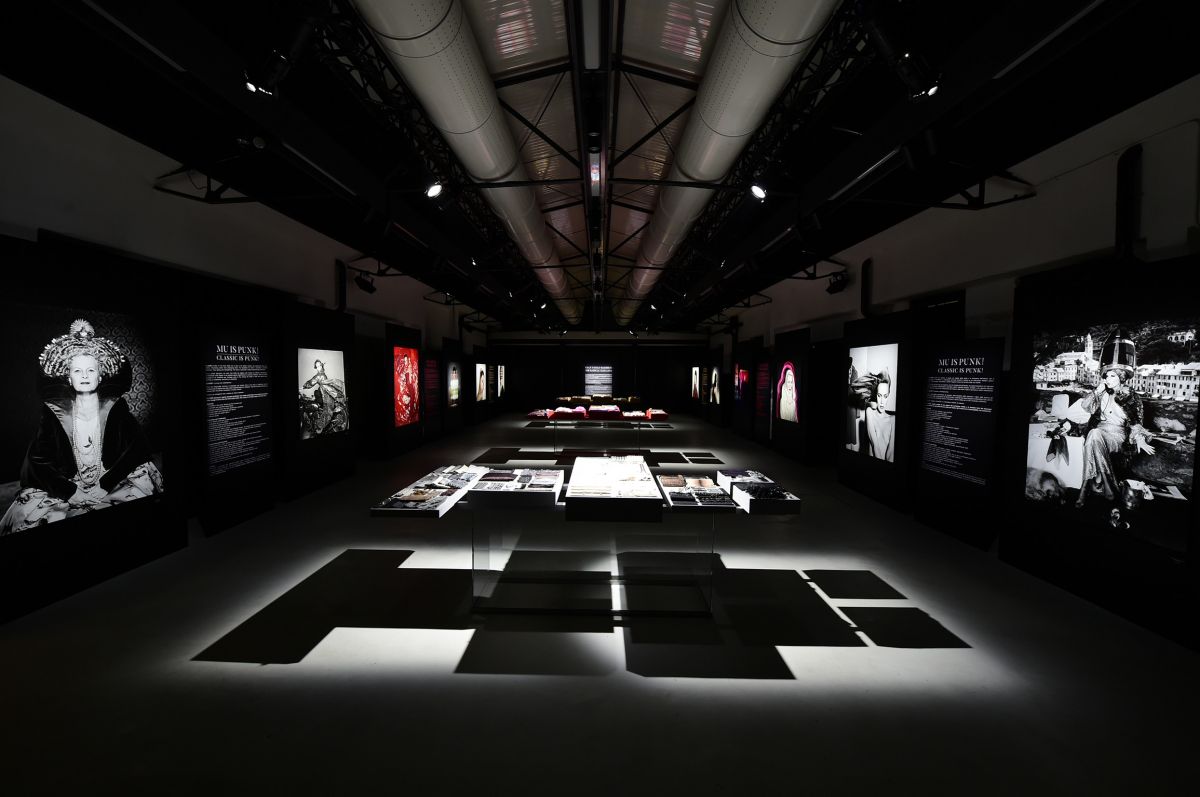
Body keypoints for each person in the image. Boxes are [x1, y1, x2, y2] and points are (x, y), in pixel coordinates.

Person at [0, 319, 163, 534]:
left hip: (109, 477)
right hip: (69, 481)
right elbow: (37, 462)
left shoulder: (116, 407)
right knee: (31, 517)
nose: (85, 376)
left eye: (91, 370)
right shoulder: (54, 413)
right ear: (69, 377)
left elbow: (136, 449)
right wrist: (71, 491)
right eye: (77, 371)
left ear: (100, 375)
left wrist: (105, 484)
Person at [1061, 364, 1154, 508]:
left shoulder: (1131, 397)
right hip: (1099, 431)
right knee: (1094, 434)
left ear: (1121, 378)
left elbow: (1136, 422)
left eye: (1112, 376)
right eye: (1106, 376)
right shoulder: (1102, 393)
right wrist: (1098, 390)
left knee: (1093, 437)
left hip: (1118, 435)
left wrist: (1140, 439)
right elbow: (1085, 407)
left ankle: (1085, 488)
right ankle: (1106, 483)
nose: (1107, 379)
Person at [301, 358, 349, 436]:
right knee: (314, 399)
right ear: (316, 368)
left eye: (320, 365)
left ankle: (319, 426)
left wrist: (303, 387)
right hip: (323, 393)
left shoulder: (320, 375)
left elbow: (312, 381)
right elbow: (313, 382)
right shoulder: (321, 374)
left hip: (325, 395)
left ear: (321, 366)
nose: (319, 367)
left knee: (327, 412)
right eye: (317, 366)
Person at [865, 375, 895, 462]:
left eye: (885, 396)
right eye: (879, 395)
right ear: (876, 395)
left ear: (888, 396)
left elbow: (891, 452)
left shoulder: (893, 419)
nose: (882, 402)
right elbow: (875, 446)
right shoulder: (870, 412)